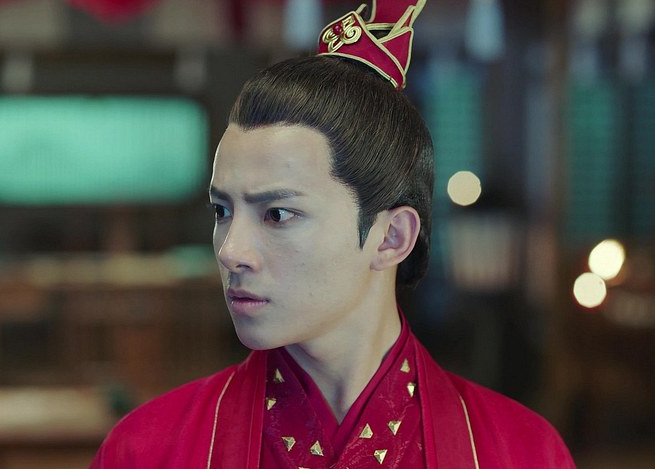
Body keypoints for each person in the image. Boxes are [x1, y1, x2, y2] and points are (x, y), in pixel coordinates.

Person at [91, 0, 576, 467]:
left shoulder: (519, 453)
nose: (231, 251)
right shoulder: (147, 452)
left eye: (278, 214)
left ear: (391, 237)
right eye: (222, 210)